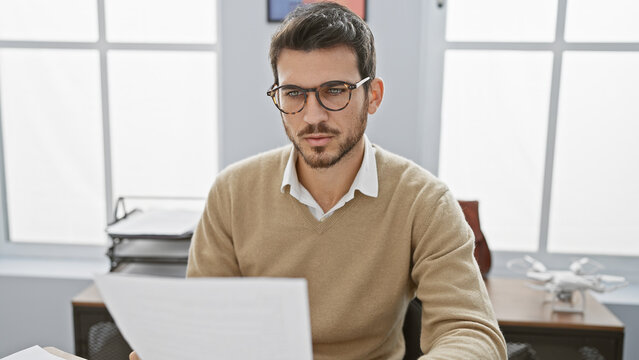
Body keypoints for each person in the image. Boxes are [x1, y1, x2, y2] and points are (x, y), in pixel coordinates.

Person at [131, 2, 506, 359]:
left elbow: (471, 331)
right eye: (293, 93)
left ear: (372, 96)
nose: (312, 116)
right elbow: (204, 325)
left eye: (334, 91)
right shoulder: (232, 192)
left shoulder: (423, 200)